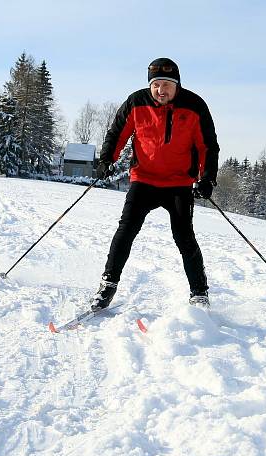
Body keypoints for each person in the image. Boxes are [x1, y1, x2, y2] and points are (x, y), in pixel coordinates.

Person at [91, 57, 220, 311]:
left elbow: (208, 146)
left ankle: (199, 293)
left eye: (167, 85)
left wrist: (207, 178)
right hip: (144, 179)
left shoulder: (195, 106)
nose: (161, 90)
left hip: (179, 183)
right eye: (156, 84)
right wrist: (107, 160)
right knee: (126, 230)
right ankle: (107, 285)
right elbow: (117, 133)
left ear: (177, 85)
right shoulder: (136, 103)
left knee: (184, 237)